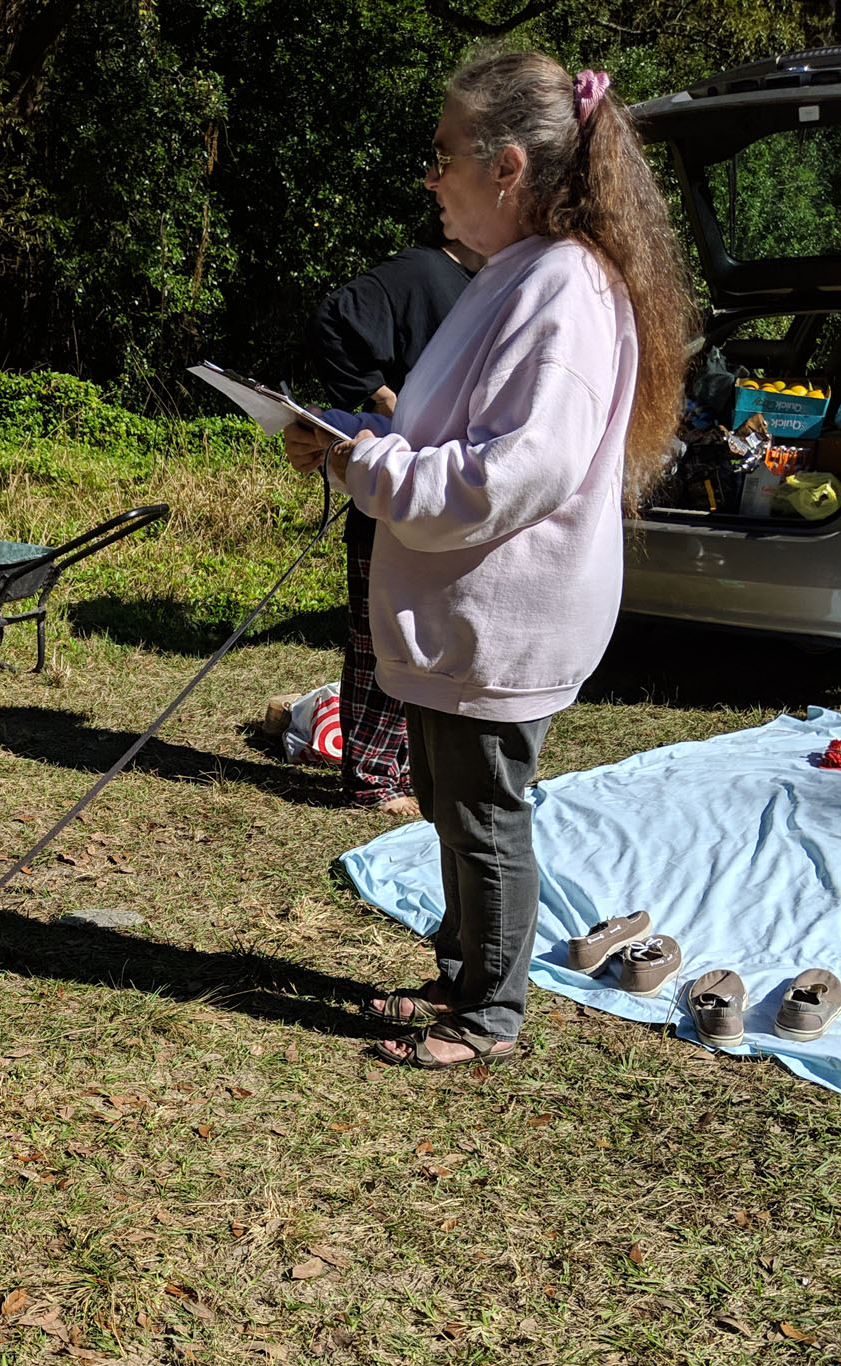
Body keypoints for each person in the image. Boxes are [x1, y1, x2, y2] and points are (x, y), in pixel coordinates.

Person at [285, 52, 693, 1069]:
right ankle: (461, 974)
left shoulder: (557, 287)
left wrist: (367, 464)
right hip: (475, 613)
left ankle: (487, 1016)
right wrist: (350, 446)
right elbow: (459, 435)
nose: (431, 177)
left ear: (505, 167)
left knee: (482, 818)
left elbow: (516, 470)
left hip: (504, 618)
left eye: (442, 156)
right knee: (451, 798)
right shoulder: (518, 273)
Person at [306, 240, 484, 815]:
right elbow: (334, 317)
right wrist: (383, 400)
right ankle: (373, 779)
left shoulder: (496, 284)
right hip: (387, 480)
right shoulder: (425, 269)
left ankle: (402, 767)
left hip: (438, 490)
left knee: (426, 635)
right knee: (380, 636)